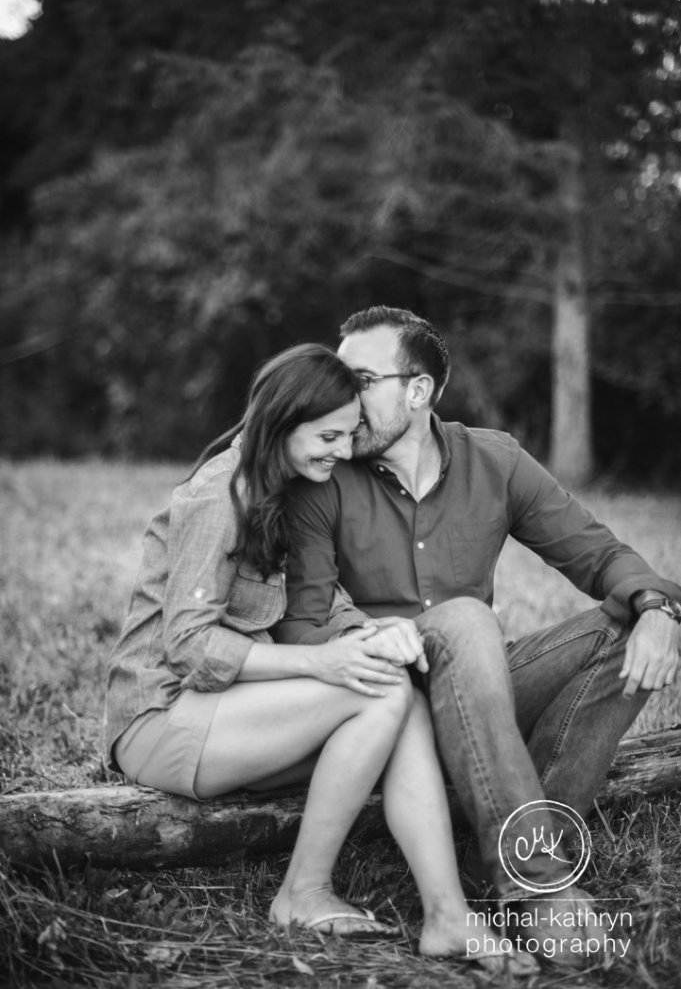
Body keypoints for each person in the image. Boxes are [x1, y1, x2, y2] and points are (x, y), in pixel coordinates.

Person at [104, 343, 536, 976]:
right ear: (282, 423)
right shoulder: (218, 496)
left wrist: (369, 634)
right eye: (328, 435)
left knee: (393, 688)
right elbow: (190, 647)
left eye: (350, 433)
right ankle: (303, 892)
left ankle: (448, 917)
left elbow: (321, 603)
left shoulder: (288, 490)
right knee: (377, 691)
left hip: (232, 718)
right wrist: (322, 665)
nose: (343, 450)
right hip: (160, 720)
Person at [277, 307, 681, 968]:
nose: (339, 399)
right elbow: (303, 620)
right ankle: (538, 884)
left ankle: (511, 859)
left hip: (480, 696)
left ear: (417, 390)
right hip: (384, 710)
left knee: (625, 624)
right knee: (464, 619)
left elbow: (599, 556)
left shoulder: (493, 459)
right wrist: (385, 633)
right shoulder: (325, 471)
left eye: (360, 379)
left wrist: (660, 608)